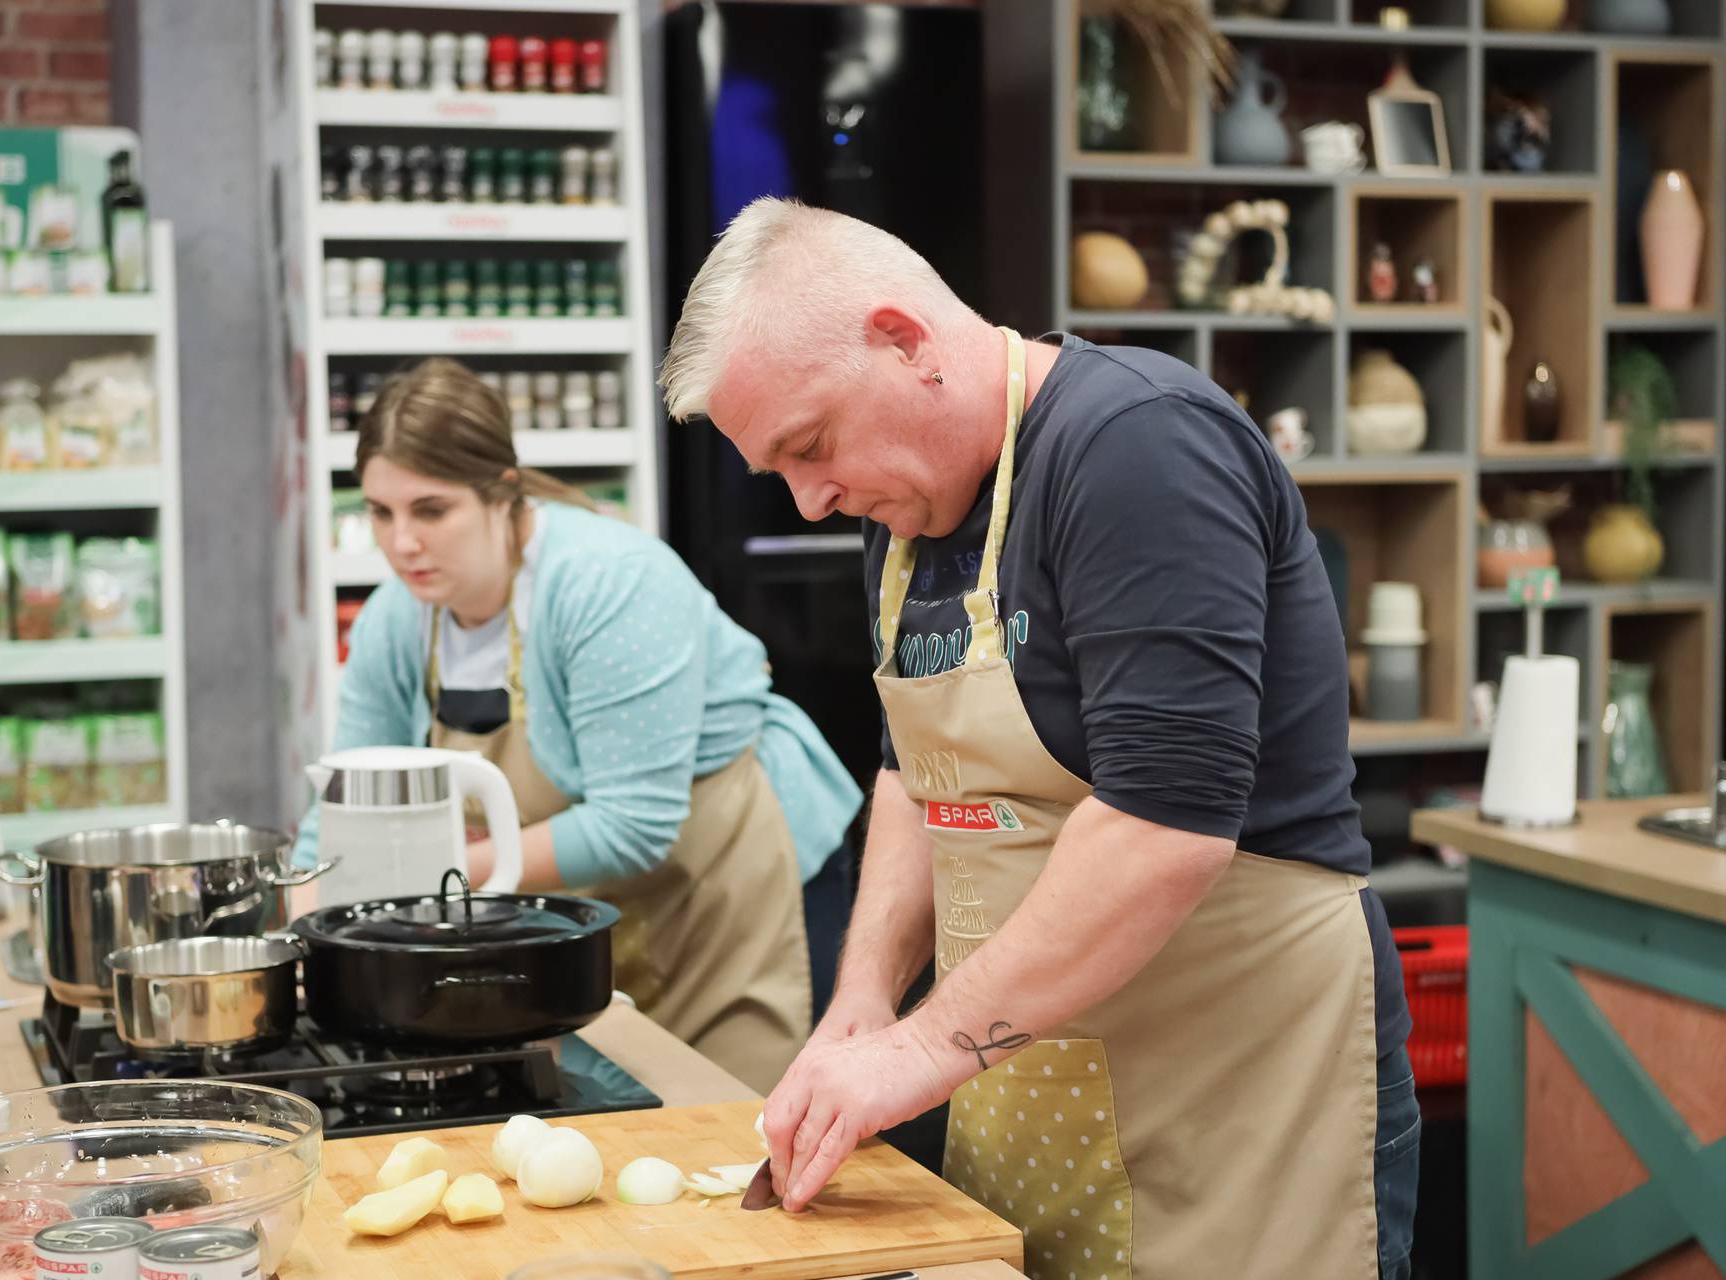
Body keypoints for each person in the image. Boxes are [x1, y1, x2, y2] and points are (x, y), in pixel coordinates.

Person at [661, 199, 1420, 1280]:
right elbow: (916, 774)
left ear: (905, 340)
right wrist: (865, 1000)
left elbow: (1167, 827)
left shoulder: (1137, 447)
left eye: (810, 445)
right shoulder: (904, 513)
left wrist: (923, 1046)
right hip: (1041, 1080)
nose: (813, 497)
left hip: (1243, 1086)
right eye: (778, 470)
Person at [291, 357, 862, 1095]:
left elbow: (634, 825)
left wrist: (436, 870)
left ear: (501, 495)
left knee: (735, 1126)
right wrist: (297, 919)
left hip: (727, 887)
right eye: (380, 512)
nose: (402, 544)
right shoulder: (396, 620)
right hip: (582, 908)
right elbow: (343, 803)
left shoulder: (608, 585)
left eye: (431, 510)